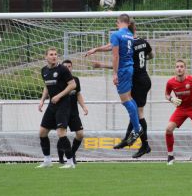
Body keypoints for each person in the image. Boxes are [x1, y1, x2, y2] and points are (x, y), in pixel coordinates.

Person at [93, 19, 154, 158]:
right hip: (144, 78)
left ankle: (142, 145)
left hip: (138, 81)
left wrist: (101, 65)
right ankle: (129, 140)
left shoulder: (128, 44)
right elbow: (151, 56)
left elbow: (120, 63)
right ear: (135, 29)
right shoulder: (143, 42)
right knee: (135, 112)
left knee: (138, 113)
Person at [86, 14, 142, 145]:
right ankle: (137, 126)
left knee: (125, 101)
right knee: (129, 98)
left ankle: (137, 128)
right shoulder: (129, 34)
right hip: (129, 68)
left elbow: (115, 56)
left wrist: (115, 74)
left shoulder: (116, 34)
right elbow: (112, 46)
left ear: (118, 22)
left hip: (122, 70)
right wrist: (97, 49)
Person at [37, 47, 77, 169]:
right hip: (52, 105)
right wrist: (42, 100)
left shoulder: (63, 69)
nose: (54, 56)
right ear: (46, 57)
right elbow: (47, 86)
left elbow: (73, 85)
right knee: (42, 132)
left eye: (55, 54)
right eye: (51, 54)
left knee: (61, 133)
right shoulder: (44, 70)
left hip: (63, 104)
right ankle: (47, 160)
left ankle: (70, 162)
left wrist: (59, 96)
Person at [58, 60, 89, 164]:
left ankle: (72, 154)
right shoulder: (58, 80)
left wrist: (84, 107)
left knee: (80, 134)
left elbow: (78, 94)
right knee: (62, 134)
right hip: (62, 111)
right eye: (65, 66)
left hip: (73, 112)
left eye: (69, 66)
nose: (67, 68)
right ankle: (61, 158)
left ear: (72, 68)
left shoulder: (75, 80)